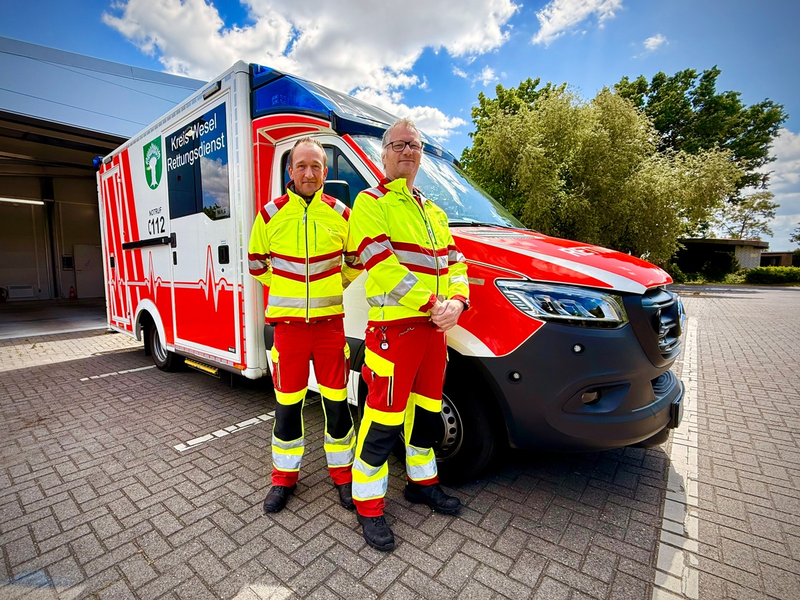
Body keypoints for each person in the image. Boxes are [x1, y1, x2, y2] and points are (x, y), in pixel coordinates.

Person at [348, 118, 470, 551]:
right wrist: (434, 304)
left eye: (414, 145)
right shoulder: (370, 202)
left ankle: (422, 484)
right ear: (384, 153)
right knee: (382, 420)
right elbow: (381, 265)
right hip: (394, 333)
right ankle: (368, 505)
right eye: (399, 144)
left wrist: (459, 302)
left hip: (433, 333)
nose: (408, 151)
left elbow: (457, 262)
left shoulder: (433, 211)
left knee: (427, 416)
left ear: (421, 155)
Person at [248, 137, 361, 513]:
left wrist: (333, 286)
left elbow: (356, 261)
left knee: (338, 407)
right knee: (287, 408)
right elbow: (256, 263)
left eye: (316, 166)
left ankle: (343, 477)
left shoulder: (342, 214)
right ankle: (283, 479)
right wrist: (285, 289)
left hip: (330, 329)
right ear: (290, 170)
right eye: (302, 166)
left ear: (325, 172)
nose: (309, 173)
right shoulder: (269, 215)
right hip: (289, 331)